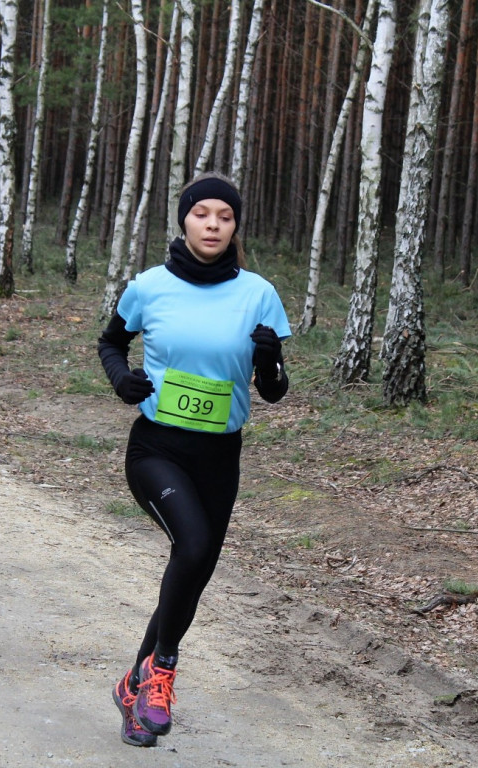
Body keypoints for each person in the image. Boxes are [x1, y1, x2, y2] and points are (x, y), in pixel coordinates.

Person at [97, 172, 290, 746]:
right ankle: (163, 672)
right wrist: (121, 380)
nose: (213, 224)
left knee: (193, 570)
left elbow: (274, 389)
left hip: (219, 456)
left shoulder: (258, 294)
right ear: (184, 220)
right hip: (156, 449)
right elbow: (111, 342)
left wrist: (271, 361)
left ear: (235, 228)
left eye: (224, 217)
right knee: (196, 546)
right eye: (202, 213)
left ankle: (133, 687)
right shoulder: (149, 286)